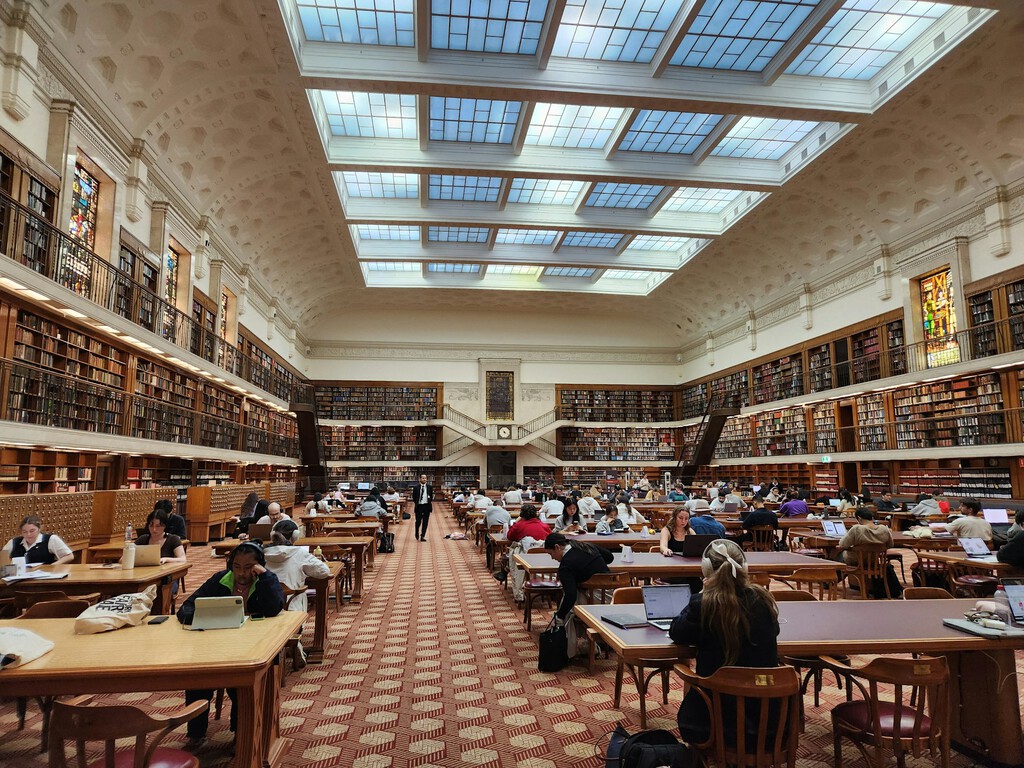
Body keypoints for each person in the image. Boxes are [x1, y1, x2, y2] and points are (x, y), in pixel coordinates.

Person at [669, 539, 780, 745]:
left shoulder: (704, 605)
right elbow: (775, 630)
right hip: (769, 730)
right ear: (744, 567)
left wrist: (702, 594)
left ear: (706, 570)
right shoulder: (763, 600)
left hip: (712, 727)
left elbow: (677, 631)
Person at [178, 541, 285, 748]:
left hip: (253, 647)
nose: (242, 573)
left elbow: (274, 608)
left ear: (258, 566)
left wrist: (265, 577)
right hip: (217, 645)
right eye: (237, 567)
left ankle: (240, 732)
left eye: (248, 568)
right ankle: (196, 734)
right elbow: (187, 607)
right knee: (197, 680)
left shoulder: (263, 581)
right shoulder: (220, 580)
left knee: (241, 685)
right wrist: (201, 618)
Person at [543, 533, 614, 620]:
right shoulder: (585, 545)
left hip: (595, 599)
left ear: (557, 547)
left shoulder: (566, 566)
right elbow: (610, 557)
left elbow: (571, 595)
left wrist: (560, 615)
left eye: (551, 554)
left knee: (568, 606)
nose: (552, 558)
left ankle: (564, 629)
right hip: (613, 595)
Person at [264, 524, 330, 613]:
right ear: (295, 536)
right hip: (293, 609)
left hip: (265, 608)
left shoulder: (261, 554)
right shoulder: (299, 553)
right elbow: (324, 571)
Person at [3, 515, 74, 565]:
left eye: (32, 531)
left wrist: (53, 566)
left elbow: (69, 556)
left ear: (39, 529)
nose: (28, 534)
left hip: (44, 578)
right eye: (24, 532)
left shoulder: (50, 539)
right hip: (20, 579)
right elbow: (2, 558)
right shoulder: (14, 542)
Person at [412, 473, 434, 541]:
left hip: (427, 506)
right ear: (420, 479)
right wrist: (417, 503)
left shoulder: (429, 487)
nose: (424, 479)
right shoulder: (416, 487)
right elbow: (414, 497)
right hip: (419, 506)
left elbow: (431, 496)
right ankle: (416, 531)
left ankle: (423, 536)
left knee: (425, 521)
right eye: (423, 478)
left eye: (425, 478)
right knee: (418, 521)